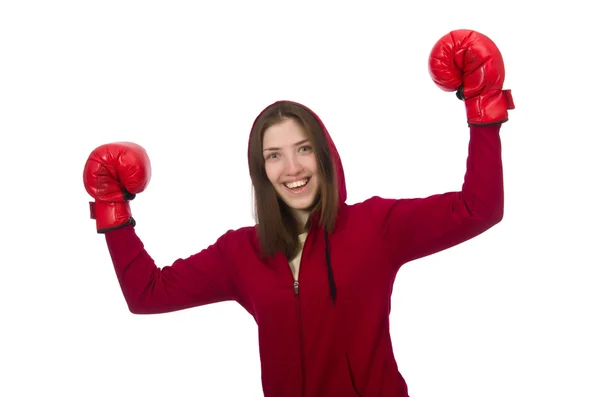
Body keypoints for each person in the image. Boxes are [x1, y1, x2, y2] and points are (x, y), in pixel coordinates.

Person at [83, 29, 514, 397]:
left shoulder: (376, 227)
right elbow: (147, 295)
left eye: (303, 149)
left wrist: (483, 108)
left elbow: (479, 208)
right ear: (261, 170)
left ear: (324, 154)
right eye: (274, 156)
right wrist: (111, 209)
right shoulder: (241, 252)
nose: (292, 168)